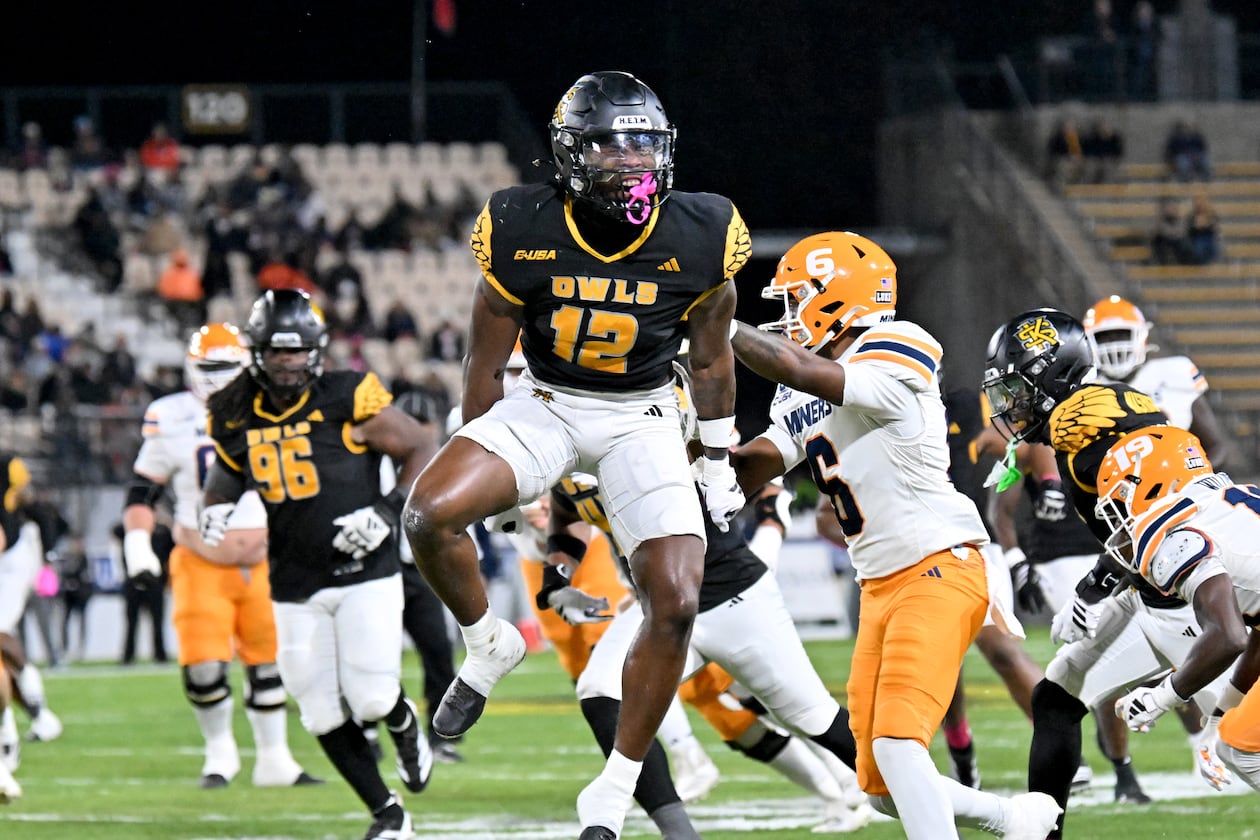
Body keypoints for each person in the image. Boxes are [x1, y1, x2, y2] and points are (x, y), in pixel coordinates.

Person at [401, 70, 748, 840]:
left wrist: (717, 460)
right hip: (547, 402)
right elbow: (485, 365)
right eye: (608, 144)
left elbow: (716, 358)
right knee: (428, 514)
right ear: (567, 154)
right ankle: (488, 642)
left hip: (646, 414)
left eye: (643, 144)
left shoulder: (703, 230)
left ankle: (617, 785)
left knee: (677, 599)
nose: (629, 161)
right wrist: (488, 463)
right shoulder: (521, 223)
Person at [726, 231, 1061, 839]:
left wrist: (714, 317)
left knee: (901, 746)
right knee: (880, 786)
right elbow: (756, 464)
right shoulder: (805, 380)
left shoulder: (896, 342)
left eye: (796, 298)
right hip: (880, 581)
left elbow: (800, 366)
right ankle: (1015, 817)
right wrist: (694, 454)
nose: (785, 316)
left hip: (939, 563)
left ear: (836, 298)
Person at [982, 307, 1236, 839]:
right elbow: (1135, 528)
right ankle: (1042, 831)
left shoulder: (1090, 440)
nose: (1009, 403)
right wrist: (1096, 589)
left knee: (1243, 742)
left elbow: (1159, 522)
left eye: (1017, 388)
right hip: (1154, 586)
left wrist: (1096, 588)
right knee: (1056, 696)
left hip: (1188, 594)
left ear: (1051, 378)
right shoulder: (1088, 420)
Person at [200, 289, 436, 840]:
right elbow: (232, 468)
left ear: (317, 349)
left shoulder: (346, 394)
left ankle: (403, 724)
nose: (289, 363)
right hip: (293, 579)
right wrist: (215, 506)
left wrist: (387, 511)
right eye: (278, 352)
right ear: (257, 351)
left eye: (298, 351)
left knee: (373, 696)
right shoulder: (233, 406)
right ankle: (389, 814)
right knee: (320, 712)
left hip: (364, 568)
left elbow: (421, 446)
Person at [546, 468, 873, 834]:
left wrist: (764, 505)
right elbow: (565, 510)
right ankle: (678, 830)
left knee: (813, 718)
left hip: (731, 598)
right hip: (659, 607)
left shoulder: (648, 433)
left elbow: (740, 458)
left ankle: (914, 786)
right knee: (600, 689)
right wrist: (557, 579)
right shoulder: (571, 456)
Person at [123, 322, 320, 788]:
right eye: (207, 366)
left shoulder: (276, 406)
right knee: (204, 667)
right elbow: (141, 492)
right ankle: (220, 754)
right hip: (200, 558)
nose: (215, 376)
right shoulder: (169, 415)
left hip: (268, 560)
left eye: (225, 366)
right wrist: (137, 545)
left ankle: (275, 760)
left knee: (271, 664)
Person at [1083, 295, 1232, 468]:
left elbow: (1216, 447)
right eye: (1105, 337)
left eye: (1121, 334)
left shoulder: (1175, 372)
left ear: (1141, 335)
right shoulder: (1085, 387)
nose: (1114, 344)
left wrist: (1194, 479)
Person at [0, 453, 63, 746]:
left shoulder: (6, 462)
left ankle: (36, 710)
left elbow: (29, 501)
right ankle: (36, 715)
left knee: (1, 633)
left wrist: (47, 558)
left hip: (11, 563)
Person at [115, 520, 170, 665]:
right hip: (133, 581)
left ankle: (160, 655)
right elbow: (116, 530)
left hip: (155, 582)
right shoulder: (131, 529)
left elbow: (170, 551)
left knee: (157, 623)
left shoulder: (161, 532)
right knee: (131, 622)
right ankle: (128, 656)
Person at [1184, 192, 1220, 265]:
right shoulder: (1191, 215)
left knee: (1214, 247)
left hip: (1209, 237)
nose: (1199, 204)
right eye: (1197, 202)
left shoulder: (1211, 214)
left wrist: (1207, 225)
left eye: (1201, 202)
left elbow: (1215, 228)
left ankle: (1209, 263)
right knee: (1199, 247)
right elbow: (1188, 231)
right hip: (1196, 238)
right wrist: (1196, 227)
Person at [1149, 197, 1187, 265]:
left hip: (1176, 245)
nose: (1171, 209)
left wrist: (1167, 233)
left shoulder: (1180, 220)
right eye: (1169, 207)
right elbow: (1154, 232)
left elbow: (1181, 233)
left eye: (1173, 207)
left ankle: (1181, 263)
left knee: (1182, 243)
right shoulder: (1159, 220)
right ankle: (1162, 263)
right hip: (1164, 245)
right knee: (1158, 240)